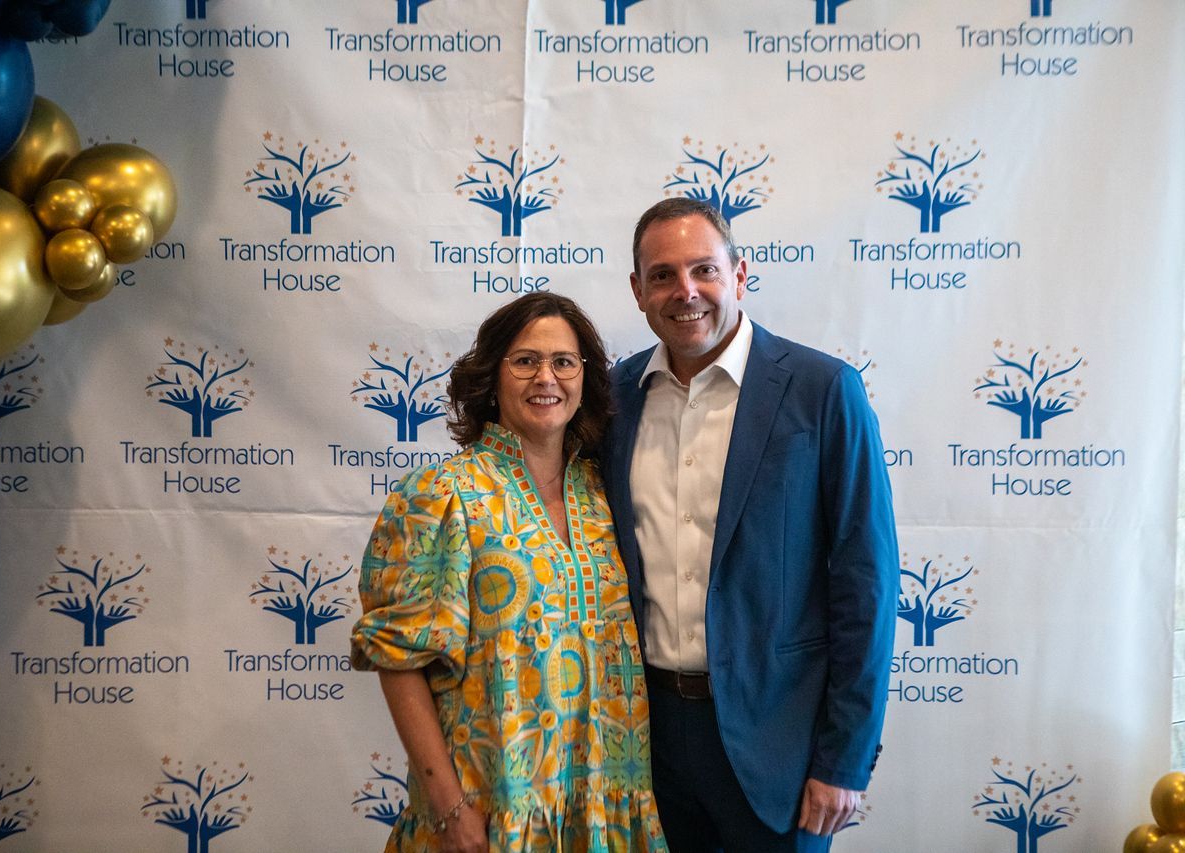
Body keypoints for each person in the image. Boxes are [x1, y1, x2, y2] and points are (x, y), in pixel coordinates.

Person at [602, 198, 899, 852]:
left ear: (738, 276)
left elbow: (867, 584)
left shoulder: (824, 390)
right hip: (644, 745)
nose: (685, 291)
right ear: (638, 291)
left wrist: (844, 759)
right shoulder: (614, 398)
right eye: (662, 275)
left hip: (779, 748)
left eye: (704, 269)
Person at [351, 293, 668, 853]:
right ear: (491, 377)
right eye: (525, 361)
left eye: (564, 362)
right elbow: (400, 662)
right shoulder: (442, 496)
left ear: (584, 379)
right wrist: (449, 810)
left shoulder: (606, 493)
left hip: (607, 810)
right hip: (489, 812)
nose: (546, 377)